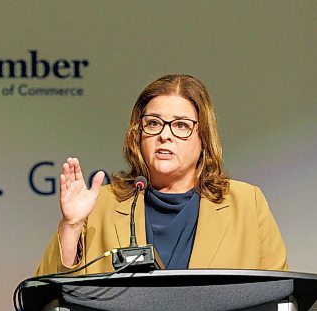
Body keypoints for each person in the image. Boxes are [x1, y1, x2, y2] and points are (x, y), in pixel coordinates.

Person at [36, 74, 287, 275]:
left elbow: (279, 298)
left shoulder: (246, 203)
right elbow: (46, 298)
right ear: (138, 134)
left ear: (204, 138)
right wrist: (71, 226)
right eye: (153, 123)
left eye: (181, 125)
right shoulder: (101, 204)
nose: (164, 135)